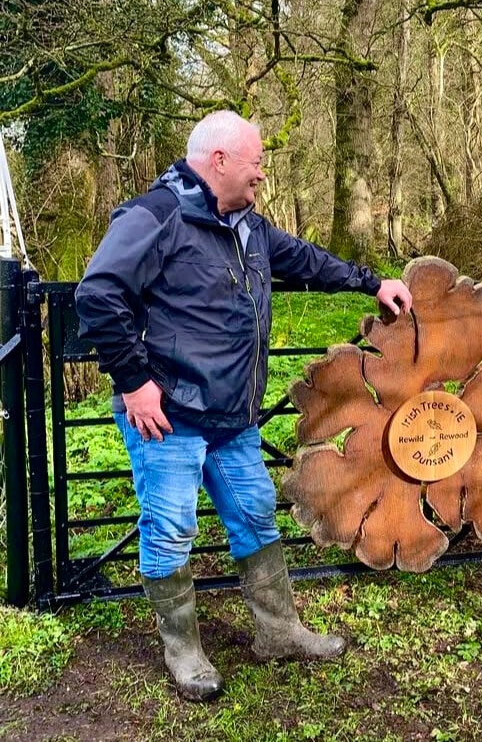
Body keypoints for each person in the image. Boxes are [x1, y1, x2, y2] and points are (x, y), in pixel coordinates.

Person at [75, 110, 412, 701]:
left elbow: (308, 260)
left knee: (256, 514)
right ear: (220, 160)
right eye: (255, 161)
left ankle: (279, 633)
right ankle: (183, 650)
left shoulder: (248, 226)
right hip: (168, 415)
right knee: (171, 528)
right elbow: (99, 293)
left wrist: (370, 282)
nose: (262, 173)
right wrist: (133, 381)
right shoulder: (155, 216)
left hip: (231, 419)